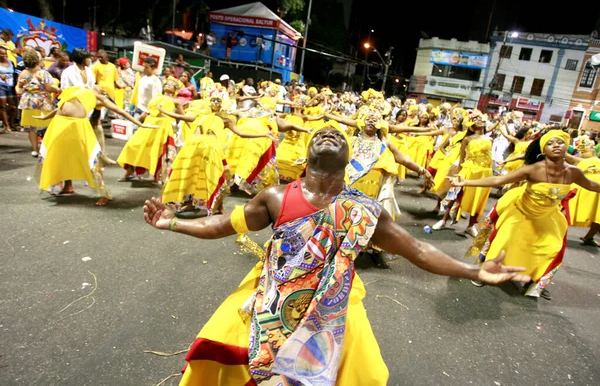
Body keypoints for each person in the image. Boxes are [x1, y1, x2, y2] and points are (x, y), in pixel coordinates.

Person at [143, 124, 530, 385]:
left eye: (338, 135)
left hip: (336, 304)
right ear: (307, 154)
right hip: (269, 296)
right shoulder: (277, 196)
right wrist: (171, 224)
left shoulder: (366, 210)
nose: (329, 133)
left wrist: (474, 271)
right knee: (227, 354)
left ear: (351, 159)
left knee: (360, 374)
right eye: (321, 133)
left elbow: (418, 250)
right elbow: (221, 226)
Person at [455, 130, 600, 299]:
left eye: (560, 142)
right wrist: (466, 182)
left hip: (549, 217)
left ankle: (534, 281)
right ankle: (483, 271)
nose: (556, 146)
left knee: (550, 248)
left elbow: (591, 185)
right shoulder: (533, 169)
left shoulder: (574, 171)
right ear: (543, 150)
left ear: (566, 146)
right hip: (522, 213)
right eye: (550, 143)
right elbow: (497, 181)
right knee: (502, 244)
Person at [34, 86, 157, 206]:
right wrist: (45, 117)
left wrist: (140, 125)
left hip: (77, 127)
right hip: (59, 124)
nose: (97, 86)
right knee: (64, 156)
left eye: (100, 88)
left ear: (102, 93)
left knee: (92, 161)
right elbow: (59, 108)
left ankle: (104, 194)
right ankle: (68, 186)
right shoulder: (79, 90)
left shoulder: (99, 98)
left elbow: (120, 111)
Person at [16, 48, 59, 157]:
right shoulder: (43, 73)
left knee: (31, 128)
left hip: (27, 102)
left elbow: (20, 90)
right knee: (47, 126)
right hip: (43, 101)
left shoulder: (23, 74)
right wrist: (58, 89)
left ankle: (35, 150)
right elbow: (49, 87)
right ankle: (46, 149)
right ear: (37, 60)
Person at [567, 153, 600, 247]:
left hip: (592, 189)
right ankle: (549, 233)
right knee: (569, 210)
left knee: (598, 216)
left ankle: (589, 237)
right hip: (584, 188)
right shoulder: (588, 161)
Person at [130, 57, 162, 123]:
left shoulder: (155, 81)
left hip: (147, 112)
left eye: (146, 67)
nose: (144, 69)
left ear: (153, 68)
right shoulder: (143, 78)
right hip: (139, 108)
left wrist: (147, 112)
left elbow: (156, 100)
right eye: (143, 67)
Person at [0, 47, 17, 132]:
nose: (4, 56)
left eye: (5, 54)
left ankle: (12, 124)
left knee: (13, 107)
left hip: (11, 87)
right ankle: (7, 126)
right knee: (2, 106)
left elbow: (15, 74)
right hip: (1, 86)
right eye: (2, 54)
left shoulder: (11, 63)